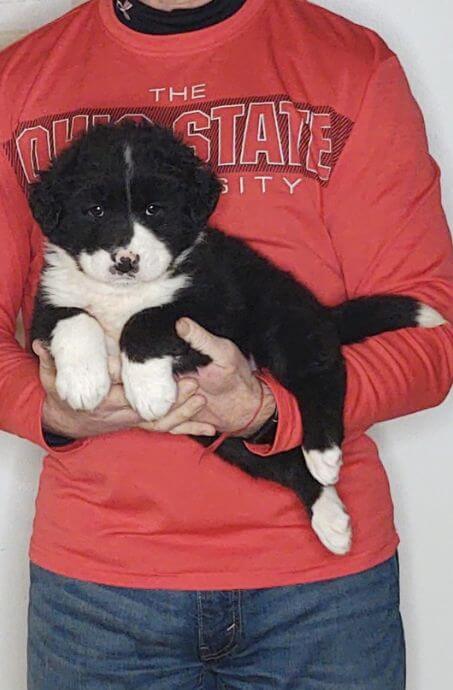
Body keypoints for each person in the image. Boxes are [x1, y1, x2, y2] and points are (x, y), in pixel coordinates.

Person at [0, 0, 452, 687]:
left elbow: (434, 333)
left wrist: (272, 410)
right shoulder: (19, 77)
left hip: (319, 592)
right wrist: (50, 409)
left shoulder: (348, 63)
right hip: (98, 588)